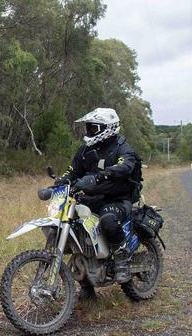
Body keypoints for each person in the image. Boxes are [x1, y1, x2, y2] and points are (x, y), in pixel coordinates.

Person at [57, 108, 140, 285]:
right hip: (91, 199)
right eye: (88, 128)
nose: (89, 132)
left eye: (93, 128)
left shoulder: (121, 147)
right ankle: (86, 283)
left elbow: (126, 166)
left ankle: (122, 259)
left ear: (108, 128)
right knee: (75, 228)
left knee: (108, 221)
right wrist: (60, 182)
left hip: (117, 199)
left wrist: (100, 176)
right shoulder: (85, 150)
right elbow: (73, 171)